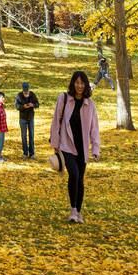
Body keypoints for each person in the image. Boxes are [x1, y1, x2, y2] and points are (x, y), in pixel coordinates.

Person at [50, 70, 101, 223]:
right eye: (77, 82)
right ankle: (73, 210)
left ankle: (78, 212)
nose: (79, 86)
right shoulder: (64, 98)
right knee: (74, 175)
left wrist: (95, 148)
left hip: (82, 147)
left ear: (86, 85)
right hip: (66, 145)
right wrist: (55, 143)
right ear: (73, 84)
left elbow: (94, 128)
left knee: (80, 180)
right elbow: (56, 121)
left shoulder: (90, 104)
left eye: (82, 83)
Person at [15, 81, 40, 158]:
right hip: (23, 118)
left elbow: (37, 104)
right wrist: (23, 107)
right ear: (23, 89)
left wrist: (33, 105)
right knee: (24, 136)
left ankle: (32, 153)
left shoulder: (32, 94)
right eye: (25, 91)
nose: (26, 92)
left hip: (31, 118)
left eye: (27, 91)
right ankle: (25, 153)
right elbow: (17, 106)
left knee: (31, 135)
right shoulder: (19, 95)